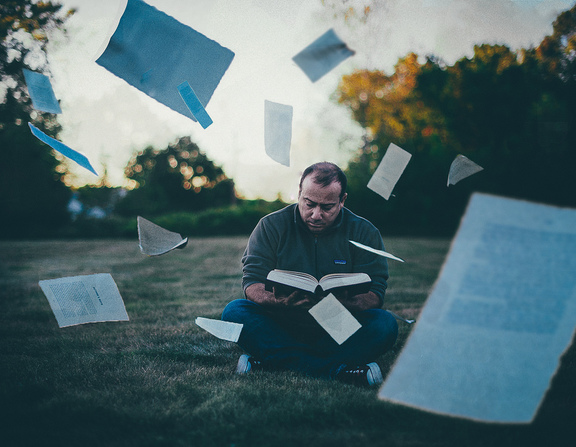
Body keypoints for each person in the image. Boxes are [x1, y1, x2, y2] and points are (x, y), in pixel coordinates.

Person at [222, 162, 398, 387]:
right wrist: (280, 300)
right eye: (310, 204)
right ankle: (337, 369)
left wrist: (345, 302)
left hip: (336, 321)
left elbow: (376, 292)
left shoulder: (364, 232)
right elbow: (252, 284)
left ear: (342, 200)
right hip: (283, 318)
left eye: (327, 207)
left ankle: (273, 361)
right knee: (235, 311)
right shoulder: (270, 226)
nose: (316, 214)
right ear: (299, 193)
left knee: (385, 325)